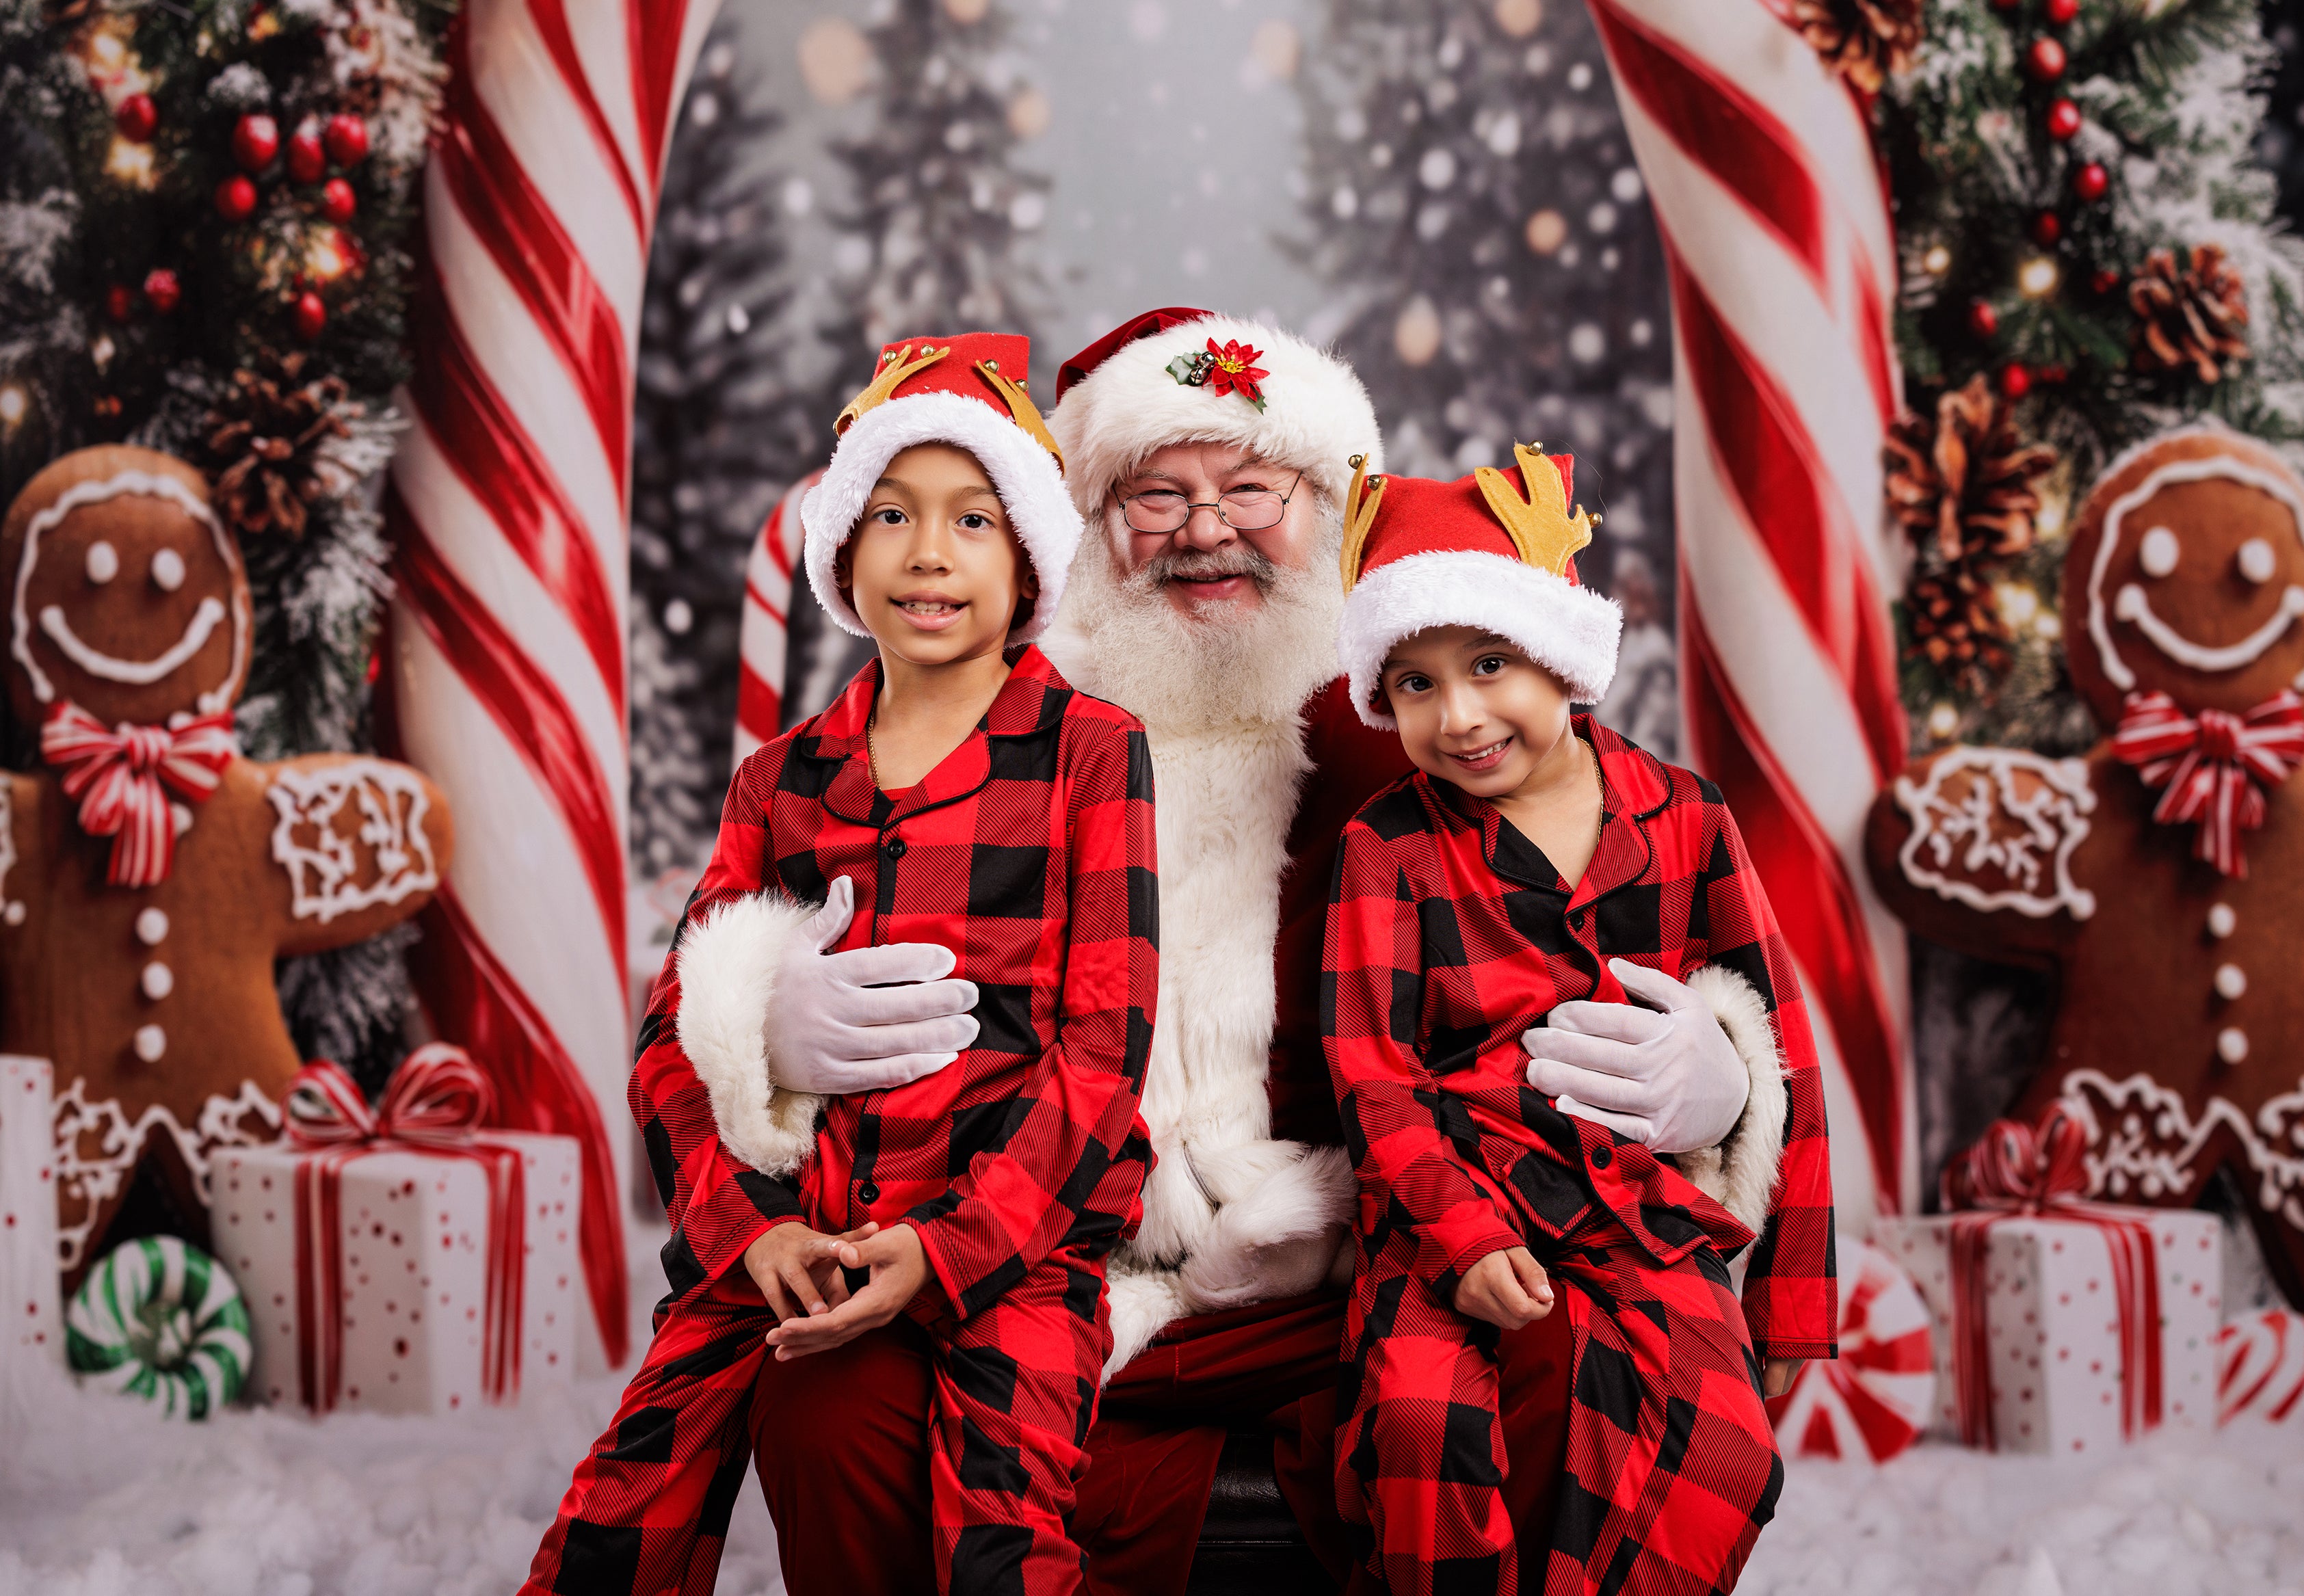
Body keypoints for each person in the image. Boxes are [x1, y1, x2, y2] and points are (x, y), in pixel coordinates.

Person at [734, 309, 1796, 1590]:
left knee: (1565, 1353)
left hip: (1345, 1267)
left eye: (1252, 489)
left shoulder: (1409, 739)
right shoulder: (986, 730)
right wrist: (762, 1023)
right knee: (829, 1407)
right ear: (1077, 521)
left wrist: (1726, 1075)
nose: (1204, 530)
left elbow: (1617, 909)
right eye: (1154, 494)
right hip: (1028, 1255)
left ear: (1331, 509)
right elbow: (809, 907)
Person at [520, 332, 1158, 1596]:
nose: (930, 552)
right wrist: (751, 1229)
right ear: (842, 554)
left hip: (1006, 1246)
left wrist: (953, 1246)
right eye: (890, 515)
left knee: (999, 1545)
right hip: (801, 1235)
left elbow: (1103, 1054)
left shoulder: (1091, 751)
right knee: (619, 1521)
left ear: (1025, 556)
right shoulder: (782, 782)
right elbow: (672, 1046)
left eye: (974, 518)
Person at [1321, 447, 1833, 1593]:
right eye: (1414, 683)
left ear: (1559, 649)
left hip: (1637, 1208)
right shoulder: (1387, 846)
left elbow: (1784, 1047)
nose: (1459, 715)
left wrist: (1793, 1305)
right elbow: (1373, 1073)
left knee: (1728, 1454)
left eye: (1489, 662)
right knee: (1417, 1424)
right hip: (1455, 1202)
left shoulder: (1686, 816)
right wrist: (1464, 1235)